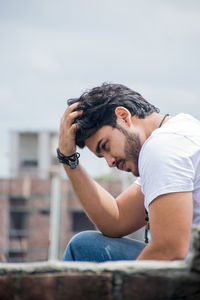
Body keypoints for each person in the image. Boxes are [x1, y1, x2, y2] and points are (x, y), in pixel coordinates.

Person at [57, 83, 200, 262]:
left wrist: (121, 286)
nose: (111, 162)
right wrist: (68, 159)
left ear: (123, 116)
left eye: (105, 146)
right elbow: (116, 221)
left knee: (82, 249)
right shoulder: (179, 132)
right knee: (85, 246)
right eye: (102, 157)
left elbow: (169, 251)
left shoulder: (162, 148)